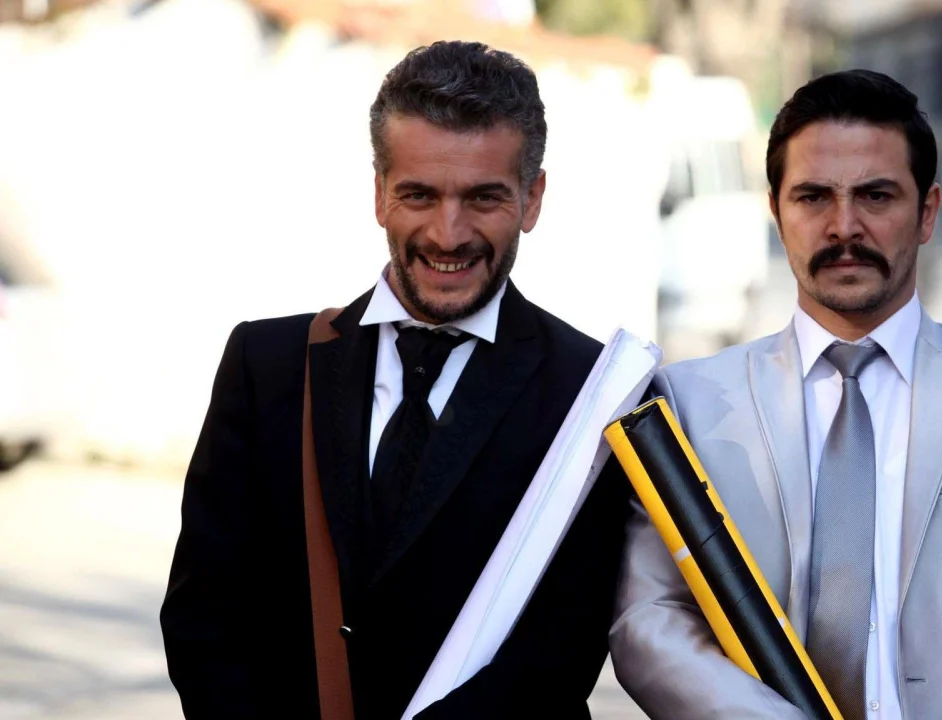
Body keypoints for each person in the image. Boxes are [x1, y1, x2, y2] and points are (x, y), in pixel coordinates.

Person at [609, 69, 942, 720]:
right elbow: (651, 621)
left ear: (927, 212)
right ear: (776, 211)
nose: (844, 226)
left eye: (876, 196)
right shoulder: (689, 404)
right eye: (813, 197)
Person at [160, 42, 631, 720]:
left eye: (484, 197)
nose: (448, 233)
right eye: (419, 194)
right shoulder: (265, 364)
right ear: (380, 193)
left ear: (532, 199)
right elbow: (205, 615)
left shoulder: (593, 392)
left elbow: (561, 649)